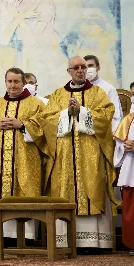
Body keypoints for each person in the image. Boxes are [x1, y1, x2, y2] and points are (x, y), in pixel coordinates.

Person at [39, 56, 120, 252]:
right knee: (65, 190)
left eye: (83, 67)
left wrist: (82, 111)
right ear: (69, 71)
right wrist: (66, 112)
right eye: (76, 68)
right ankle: (66, 241)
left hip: (90, 152)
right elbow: (47, 120)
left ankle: (95, 243)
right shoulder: (58, 95)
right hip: (65, 155)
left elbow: (106, 116)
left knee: (92, 185)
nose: (80, 70)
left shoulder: (99, 93)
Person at [0, 67, 48, 243]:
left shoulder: (36, 104)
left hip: (25, 160)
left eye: (16, 81)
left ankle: (26, 237)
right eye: (9, 81)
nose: (13, 85)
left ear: (24, 83)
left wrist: (22, 125)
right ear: (5, 82)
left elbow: (44, 127)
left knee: (24, 192)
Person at [84, 55, 122, 133]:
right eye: (85, 67)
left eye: (91, 65)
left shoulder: (108, 89)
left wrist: (113, 136)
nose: (88, 69)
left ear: (98, 68)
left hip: (104, 132)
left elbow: (116, 116)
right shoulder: (79, 89)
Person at [113, 113, 134, 255]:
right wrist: (125, 146)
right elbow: (119, 144)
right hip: (131, 168)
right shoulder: (129, 119)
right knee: (131, 207)